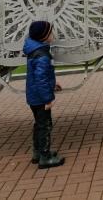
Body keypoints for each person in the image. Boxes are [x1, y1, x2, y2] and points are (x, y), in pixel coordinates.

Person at [23, 20, 65, 169]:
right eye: (50, 32)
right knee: (45, 126)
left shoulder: (35, 51)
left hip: (34, 97)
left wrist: (53, 84)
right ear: (43, 36)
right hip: (40, 98)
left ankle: (38, 153)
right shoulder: (42, 55)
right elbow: (40, 79)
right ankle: (45, 158)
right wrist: (48, 99)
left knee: (39, 125)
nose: (52, 35)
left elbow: (41, 75)